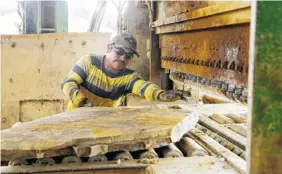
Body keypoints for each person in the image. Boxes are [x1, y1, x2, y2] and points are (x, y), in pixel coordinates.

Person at [61, 32, 183, 110]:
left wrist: (160, 94)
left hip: (103, 125)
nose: (123, 58)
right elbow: (68, 83)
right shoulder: (89, 62)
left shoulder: (128, 77)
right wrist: (78, 98)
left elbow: (143, 87)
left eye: (128, 56)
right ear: (109, 48)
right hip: (76, 119)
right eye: (119, 52)